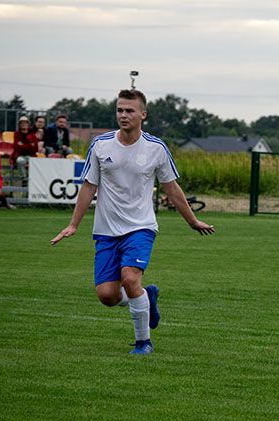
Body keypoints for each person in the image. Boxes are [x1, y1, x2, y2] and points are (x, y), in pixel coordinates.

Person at [51, 89, 215, 355]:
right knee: (107, 296)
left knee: (129, 278)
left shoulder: (156, 148)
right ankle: (146, 297)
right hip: (106, 230)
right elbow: (89, 186)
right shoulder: (100, 145)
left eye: (129, 110)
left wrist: (192, 221)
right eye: (119, 110)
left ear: (143, 114)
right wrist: (73, 225)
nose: (123, 115)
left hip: (141, 227)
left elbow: (172, 188)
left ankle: (143, 342)